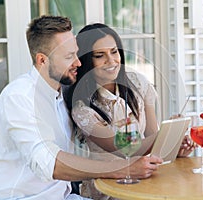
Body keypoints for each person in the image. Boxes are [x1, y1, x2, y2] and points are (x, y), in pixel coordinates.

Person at [0, 16, 162, 200]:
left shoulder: (62, 96)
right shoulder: (19, 97)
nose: (79, 63)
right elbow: (51, 164)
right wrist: (124, 169)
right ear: (42, 60)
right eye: (69, 57)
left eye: (76, 53)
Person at [66, 23, 195, 199]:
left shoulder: (137, 83)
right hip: (109, 189)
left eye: (114, 51)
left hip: (143, 181)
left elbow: (151, 137)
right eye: (99, 55)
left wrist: (174, 146)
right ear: (87, 61)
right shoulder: (82, 109)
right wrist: (166, 134)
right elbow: (123, 149)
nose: (111, 61)